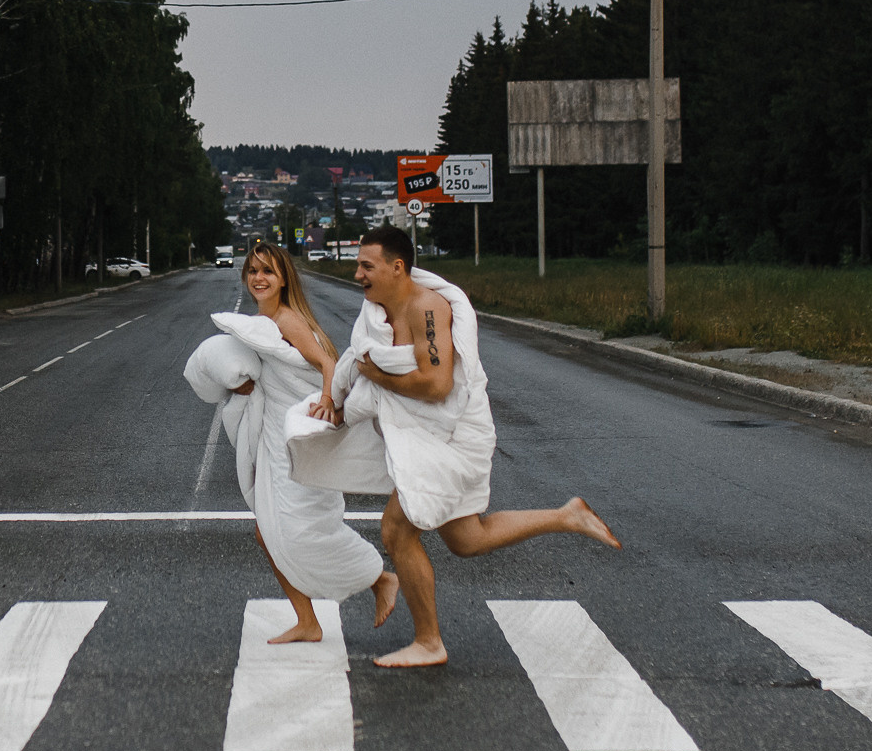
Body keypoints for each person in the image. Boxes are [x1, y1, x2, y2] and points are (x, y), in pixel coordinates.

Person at [347, 224, 619, 667]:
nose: (357, 274)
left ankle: (429, 642)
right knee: (467, 539)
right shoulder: (378, 314)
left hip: (453, 435)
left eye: (366, 265)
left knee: (397, 531)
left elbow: (436, 386)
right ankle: (566, 515)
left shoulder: (427, 308)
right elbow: (358, 360)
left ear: (397, 267)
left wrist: (375, 376)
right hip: (427, 435)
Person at [182, 240, 399, 644]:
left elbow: (327, 363)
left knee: (303, 531)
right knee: (268, 532)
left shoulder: (285, 319)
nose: (258, 278)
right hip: (272, 439)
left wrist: (328, 402)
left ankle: (379, 578)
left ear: (284, 279)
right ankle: (308, 621)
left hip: (292, 442)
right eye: (252, 271)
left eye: (267, 271)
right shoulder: (263, 323)